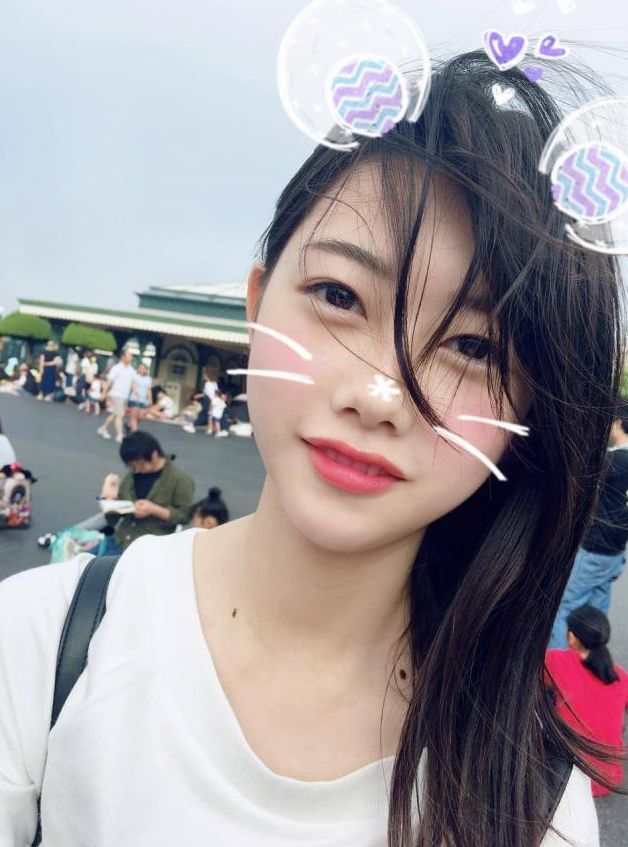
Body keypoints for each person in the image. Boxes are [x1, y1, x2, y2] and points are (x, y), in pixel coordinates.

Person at [0, 54, 623, 847]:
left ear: (532, 408)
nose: (380, 394)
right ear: (257, 303)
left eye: (472, 346)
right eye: (338, 295)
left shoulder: (532, 797)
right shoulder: (41, 644)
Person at [549, 403, 628, 648]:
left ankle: (558, 665)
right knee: (596, 607)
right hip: (615, 551)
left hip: (594, 548)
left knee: (566, 607)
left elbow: (578, 479)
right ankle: (590, 658)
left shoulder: (614, 460)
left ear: (617, 423)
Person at [545, 606, 628, 796]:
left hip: (567, 781)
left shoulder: (554, 661)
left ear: (572, 637)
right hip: (608, 779)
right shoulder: (620, 676)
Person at [99, 431, 194, 552]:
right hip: (122, 540)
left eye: (141, 464)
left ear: (154, 455)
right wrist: (109, 501)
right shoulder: (132, 475)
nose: (138, 469)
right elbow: (114, 517)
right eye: (132, 466)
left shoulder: (180, 479)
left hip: (151, 547)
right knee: (86, 560)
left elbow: (185, 516)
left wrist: (154, 510)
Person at [97, 348, 135, 443]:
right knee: (120, 415)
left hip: (125, 396)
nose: (131, 357)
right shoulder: (116, 368)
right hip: (116, 394)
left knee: (116, 414)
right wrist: (104, 393)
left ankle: (103, 428)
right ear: (123, 356)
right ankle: (120, 435)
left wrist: (136, 393)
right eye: (129, 355)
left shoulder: (131, 369)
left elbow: (133, 383)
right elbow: (109, 381)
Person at [128, 362, 152, 432]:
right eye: (140, 368)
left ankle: (129, 426)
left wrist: (150, 399)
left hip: (143, 400)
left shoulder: (148, 379)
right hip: (135, 399)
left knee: (141, 417)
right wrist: (136, 393)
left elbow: (148, 390)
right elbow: (133, 385)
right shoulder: (135, 376)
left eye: (143, 368)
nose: (141, 369)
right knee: (134, 417)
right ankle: (135, 433)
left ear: (146, 370)